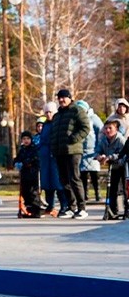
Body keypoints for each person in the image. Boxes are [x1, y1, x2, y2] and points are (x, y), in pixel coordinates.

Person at [49, 88, 91, 219]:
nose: (61, 100)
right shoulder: (57, 115)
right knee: (64, 180)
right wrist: (53, 148)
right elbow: (54, 134)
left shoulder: (77, 110)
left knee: (74, 178)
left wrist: (73, 139)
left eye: (64, 97)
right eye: (59, 98)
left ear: (69, 98)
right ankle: (71, 208)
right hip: (59, 152)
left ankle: (82, 208)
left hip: (73, 151)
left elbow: (85, 127)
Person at [38, 102, 68, 217]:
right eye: (46, 112)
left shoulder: (58, 123)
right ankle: (50, 205)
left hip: (55, 156)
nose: (48, 114)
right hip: (45, 157)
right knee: (47, 182)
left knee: (58, 182)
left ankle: (64, 205)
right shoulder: (45, 124)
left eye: (50, 112)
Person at [95, 119, 127, 220]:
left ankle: (127, 210)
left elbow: (123, 154)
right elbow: (97, 150)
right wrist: (99, 156)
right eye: (106, 128)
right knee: (112, 189)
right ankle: (112, 210)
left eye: (110, 128)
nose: (108, 130)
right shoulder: (103, 139)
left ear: (116, 129)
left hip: (122, 166)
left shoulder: (120, 139)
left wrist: (110, 157)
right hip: (112, 167)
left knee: (125, 190)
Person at [76, 100, 102, 202]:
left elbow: (101, 131)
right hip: (81, 151)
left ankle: (97, 193)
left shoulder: (94, 118)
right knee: (83, 175)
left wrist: (98, 147)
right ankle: (85, 194)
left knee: (94, 174)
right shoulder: (78, 119)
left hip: (93, 150)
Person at [14, 131, 41, 218]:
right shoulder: (22, 149)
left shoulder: (34, 149)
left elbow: (34, 159)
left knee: (32, 192)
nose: (26, 141)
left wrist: (25, 163)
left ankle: (36, 210)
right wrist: (16, 162)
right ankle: (29, 209)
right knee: (25, 192)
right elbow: (18, 158)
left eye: (28, 139)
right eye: (24, 139)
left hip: (32, 173)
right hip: (24, 174)